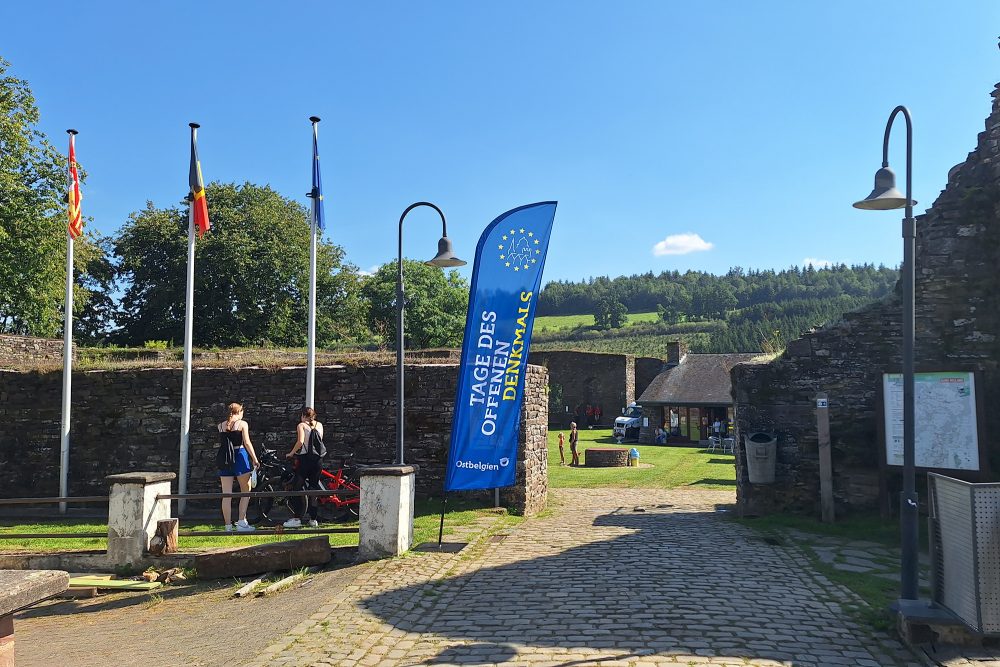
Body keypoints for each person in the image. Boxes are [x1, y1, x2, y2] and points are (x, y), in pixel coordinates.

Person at [217, 402, 259, 532]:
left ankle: (228, 526)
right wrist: (254, 458)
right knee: (246, 491)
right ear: (239, 412)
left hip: (225, 458)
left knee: (226, 494)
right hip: (239, 456)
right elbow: (246, 442)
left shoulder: (220, 426)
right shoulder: (242, 424)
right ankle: (241, 522)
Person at [284, 407, 325, 528]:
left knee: (297, 487)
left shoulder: (301, 425)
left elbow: (300, 442)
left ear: (303, 416)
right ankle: (313, 519)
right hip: (318, 461)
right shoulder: (320, 425)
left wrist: (291, 453)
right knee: (313, 489)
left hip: (305, 459)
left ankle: (297, 518)